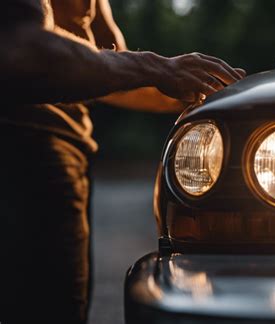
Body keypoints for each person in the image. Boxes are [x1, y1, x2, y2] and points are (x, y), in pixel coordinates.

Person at [0, 0, 245, 323]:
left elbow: (110, 66)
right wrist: (156, 67)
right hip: (26, 150)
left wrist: (204, 91)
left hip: (66, 156)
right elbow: (23, 49)